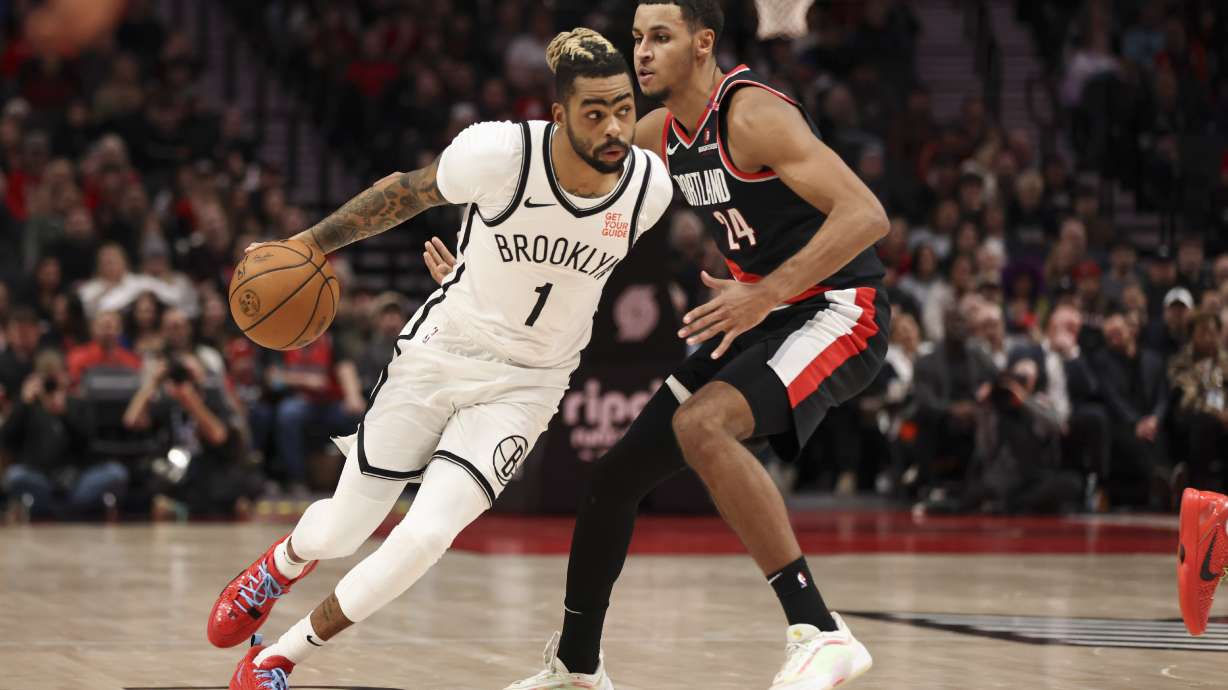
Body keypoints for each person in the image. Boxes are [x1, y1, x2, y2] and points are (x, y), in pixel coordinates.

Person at [207, 29, 674, 690]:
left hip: (529, 384)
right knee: (343, 529)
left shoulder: (649, 189)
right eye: (594, 112)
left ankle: (278, 657)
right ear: (559, 113)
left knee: (426, 536)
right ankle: (281, 563)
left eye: (624, 109)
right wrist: (310, 243)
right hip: (442, 352)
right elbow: (405, 191)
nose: (614, 128)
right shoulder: (498, 153)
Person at [503, 3, 890, 688]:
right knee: (614, 479)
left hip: (838, 309)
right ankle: (577, 668)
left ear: (703, 43)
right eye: (636, 39)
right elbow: (571, 190)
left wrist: (766, 292)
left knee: (702, 425)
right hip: (762, 312)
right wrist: (490, 256)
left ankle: (822, 632)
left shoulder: (751, 115)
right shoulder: (660, 131)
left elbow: (867, 214)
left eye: (660, 37)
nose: (642, 53)